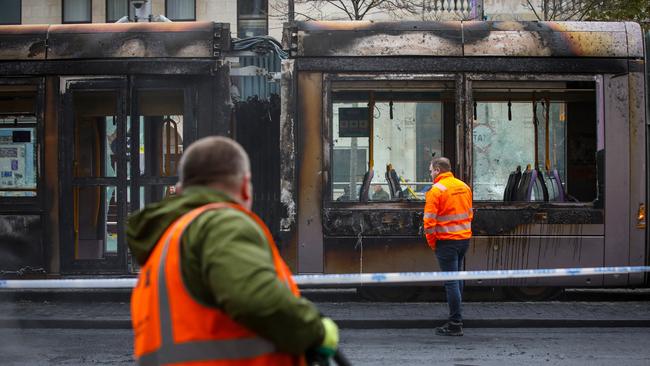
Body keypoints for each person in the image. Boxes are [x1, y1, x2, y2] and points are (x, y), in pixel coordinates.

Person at [127, 136, 338, 365]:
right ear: (246, 187)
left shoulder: (164, 244)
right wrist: (315, 330)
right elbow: (257, 300)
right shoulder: (220, 223)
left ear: (180, 191)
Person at [423, 157, 473, 336]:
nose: (430, 174)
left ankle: (455, 323)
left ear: (437, 170)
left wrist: (433, 244)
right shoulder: (464, 187)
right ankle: (456, 319)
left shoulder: (436, 191)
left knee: (451, 281)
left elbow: (428, 223)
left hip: (446, 242)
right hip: (463, 240)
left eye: (431, 170)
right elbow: (469, 214)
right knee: (457, 279)